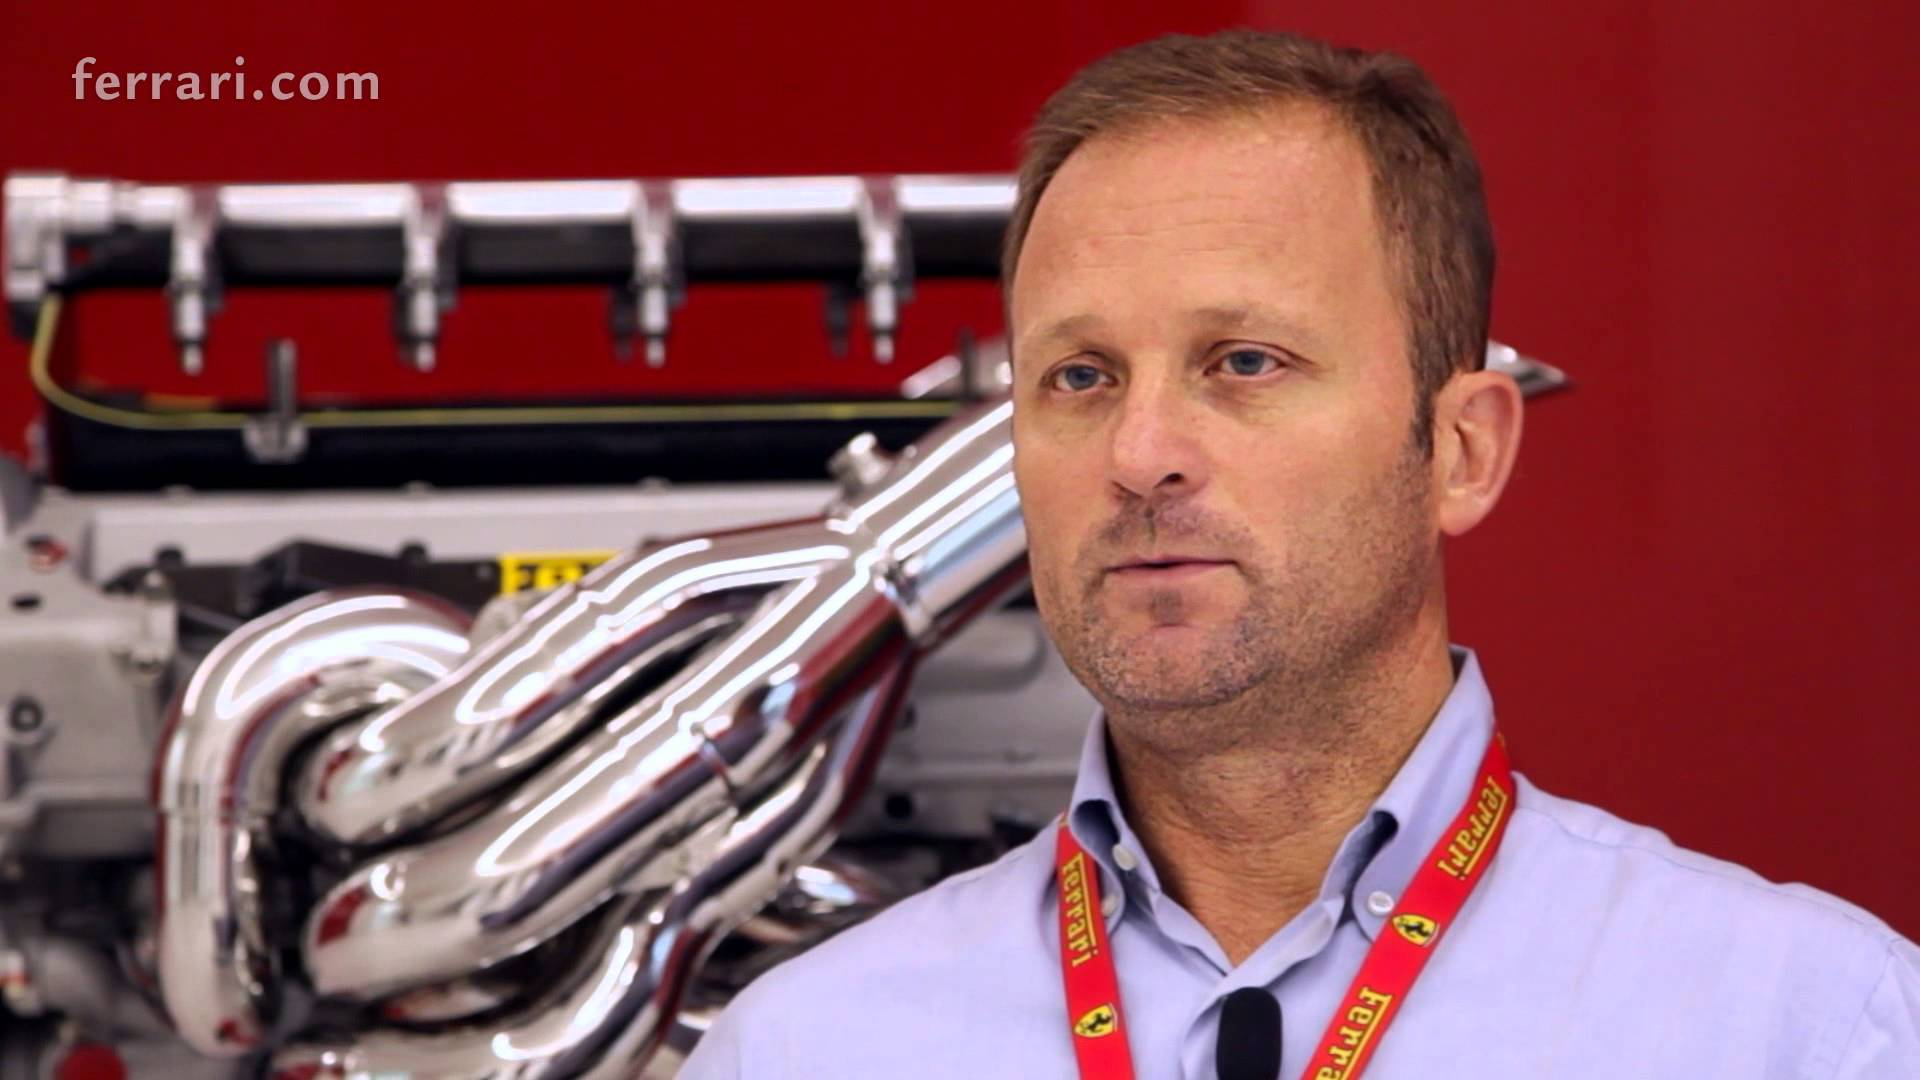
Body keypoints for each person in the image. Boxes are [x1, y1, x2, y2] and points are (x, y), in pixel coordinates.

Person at [678, 29, 1919, 1079]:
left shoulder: (1805, 1031)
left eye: (1245, 362)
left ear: (1462, 451)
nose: (1141, 454)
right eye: (1081, 376)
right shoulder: (804, 1051)